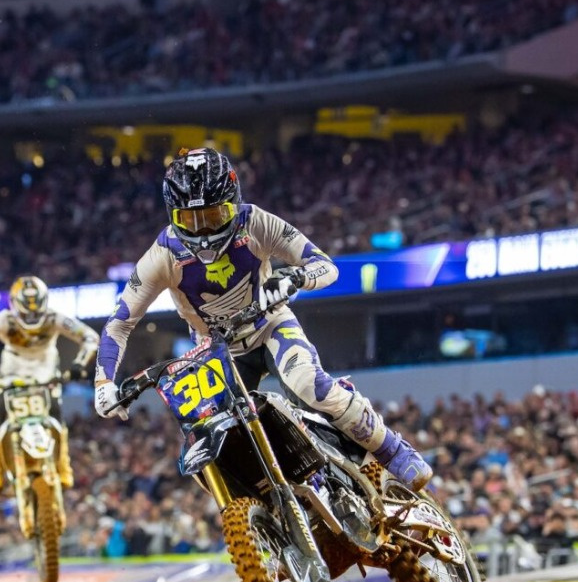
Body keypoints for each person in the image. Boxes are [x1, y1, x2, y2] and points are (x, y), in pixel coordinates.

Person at [92, 147, 433, 491]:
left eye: (214, 216)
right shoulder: (161, 256)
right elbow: (119, 324)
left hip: (269, 325)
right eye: (190, 220)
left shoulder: (256, 222)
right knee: (208, 445)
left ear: (234, 203)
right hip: (215, 353)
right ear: (172, 216)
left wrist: (295, 278)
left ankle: (393, 450)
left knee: (308, 387)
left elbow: (325, 266)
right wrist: (103, 382)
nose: (203, 231)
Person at [0, 275, 100, 493]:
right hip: (11, 377)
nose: (32, 317)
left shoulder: (54, 318)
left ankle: (63, 466)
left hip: (46, 377)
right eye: (27, 313)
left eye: (36, 312)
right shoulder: (3, 320)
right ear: (15, 305)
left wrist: (79, 364)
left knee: (56, 418)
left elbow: (90, 337)